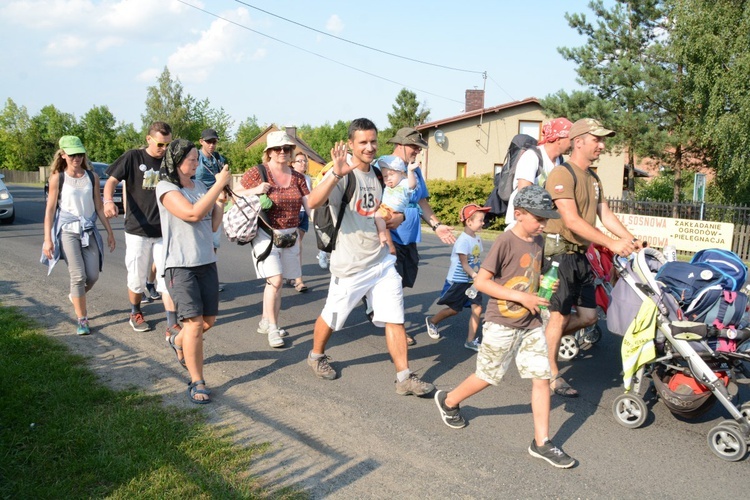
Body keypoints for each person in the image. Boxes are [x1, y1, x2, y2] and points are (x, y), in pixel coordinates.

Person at [434, 185, 576, 469]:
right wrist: (521, 296)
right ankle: (449, 400)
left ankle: (542, 442)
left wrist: (544, 287)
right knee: (487, 376)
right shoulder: (505, 241)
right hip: (502, 322)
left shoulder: (538, 240)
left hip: (532, 323)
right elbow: (482, 282)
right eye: (539, 218)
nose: (544, 224)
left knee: (541, 377)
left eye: (547, 218)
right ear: (520, 214)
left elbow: (526, 275)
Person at [305, 118, 434, 397]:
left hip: (380, 261)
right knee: (332, 317)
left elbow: (383, 209)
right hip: (350, 265)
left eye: (373, 141)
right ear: (351, 144)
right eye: (362, 142)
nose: (369, 147)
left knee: (395, 317)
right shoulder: (342, 174)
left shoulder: (378, 174)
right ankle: (316, 355)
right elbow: (312, 202)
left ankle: (404, 377)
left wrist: (395, 218)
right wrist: (337, 175)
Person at [543, 118, 641, 397]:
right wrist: (611, 243)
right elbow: (571, 220)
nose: (602, 145)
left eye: (602, 140)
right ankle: (551, 373)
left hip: (581, 254)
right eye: (597, 139)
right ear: (578, 142)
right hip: (558, 253)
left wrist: (631, 242)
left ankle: (543, 345)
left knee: (588, 317)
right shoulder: (562, 174)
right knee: (558, 317)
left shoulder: (593, 177)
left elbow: (605, 215)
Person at [156, 139, 232, 404]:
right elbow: (191, 214)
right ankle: (196, 381)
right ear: (177, 162)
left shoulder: (199, 186)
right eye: (191, 159)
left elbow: (211, 225)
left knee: (207, 322)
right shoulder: (165, 188)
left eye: (196, 159)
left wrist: (221, 200)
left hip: (205, 261)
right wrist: (218, 185)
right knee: (196, 325)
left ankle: (178, 341)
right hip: (180, 265)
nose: (196, 163)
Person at [103, 121, 179, 339]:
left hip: (163, 231)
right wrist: (109, 201)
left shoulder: (170, 162)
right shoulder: (132, 157)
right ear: (148, 139)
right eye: (160, 144)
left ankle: (172, 323)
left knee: (166, 276)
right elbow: (111, 181)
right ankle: (135, 312)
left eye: (168, 144)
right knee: (136, 279)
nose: (164, 149)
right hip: (137, 230)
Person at [236, 131, 310, 348]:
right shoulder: (258, 172)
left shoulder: (297, 177)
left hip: (289, 236)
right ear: (268, 152)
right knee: (275, 280)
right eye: (277, 148)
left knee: (276, 282)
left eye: (286, 148)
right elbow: (232, 193)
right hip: (265, 235)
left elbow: (310, 204)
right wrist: (256, 190)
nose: (282, 152)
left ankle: (265, 320)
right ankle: (274, 329)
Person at [384, 127, 457, 345]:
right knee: (394, 285)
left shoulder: (413, 169)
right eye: (414, 146)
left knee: (405, 280)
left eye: (418, 147)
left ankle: (375, 303)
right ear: (401, 144)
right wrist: (386, 239)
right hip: (390, 235)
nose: (417, 151)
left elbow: (421, 201)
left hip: (410, 237)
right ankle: (397, 328)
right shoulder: (385, 165)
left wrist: (437, 225)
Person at [42, 136, 116, 335]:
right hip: (67, 231)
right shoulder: (58, 178)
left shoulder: (92, 177)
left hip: (88, 230)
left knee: (92, 276)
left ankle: (76, 295)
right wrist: (48, 239)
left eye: (80, 154)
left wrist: (109, 232)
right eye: (73, 154)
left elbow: (99, 207)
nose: (77, 158)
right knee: (78, 275)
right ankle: (82, 319)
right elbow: (50, 210)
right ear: (63, 155)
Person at [425, 203, 488, 351]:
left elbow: (477, 261)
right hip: (458, 281)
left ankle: (470, 341)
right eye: (480, 220)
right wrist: (475, 275)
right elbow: (464, 263)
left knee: (477, 308)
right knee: (454, 309)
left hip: (472, 281)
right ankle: (432, 321)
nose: (483, 223)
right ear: (469, 221)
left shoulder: (477, 239)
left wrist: (482, 275)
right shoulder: (463, 241)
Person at [504, 118, 573, 228]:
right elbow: (524, 192)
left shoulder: (559, 161)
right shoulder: (532, 156)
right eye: (571, 139)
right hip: (521, 222)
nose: (573, 143)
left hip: (540, 221)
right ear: (559, 138)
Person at [195, 128, 229, 291]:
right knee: (199, 242)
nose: (212, 145)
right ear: (201, 141)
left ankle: (210, 279)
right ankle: (197, 279)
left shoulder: (218, 159)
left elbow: (225, 178)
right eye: (209, 142)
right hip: (199, 202)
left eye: (214, 141)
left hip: (216, 203)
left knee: (214, 242)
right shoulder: (195, 158)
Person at [373, 155, 417, 254]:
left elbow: (412, 184)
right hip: (384, 208)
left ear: (401, 173)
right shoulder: (386, 186)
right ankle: (382, 234)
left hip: (396, 211)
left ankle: (382, 233)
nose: (388, 179)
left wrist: (410, 171)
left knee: (379, 218)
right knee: (377, 216)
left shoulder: (404, 183)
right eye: (385, 176)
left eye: (391, 174)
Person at [288, 151, 312, 292]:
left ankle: (289, 275)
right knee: (297, 246)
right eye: (299, 161)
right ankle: (298, 280)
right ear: (293, 163)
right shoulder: (290, 177)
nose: (303, 163)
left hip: (305, 214)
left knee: (292, 247)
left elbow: (311, 196)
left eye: (304, 161)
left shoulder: (307, 178)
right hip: (294, 213)